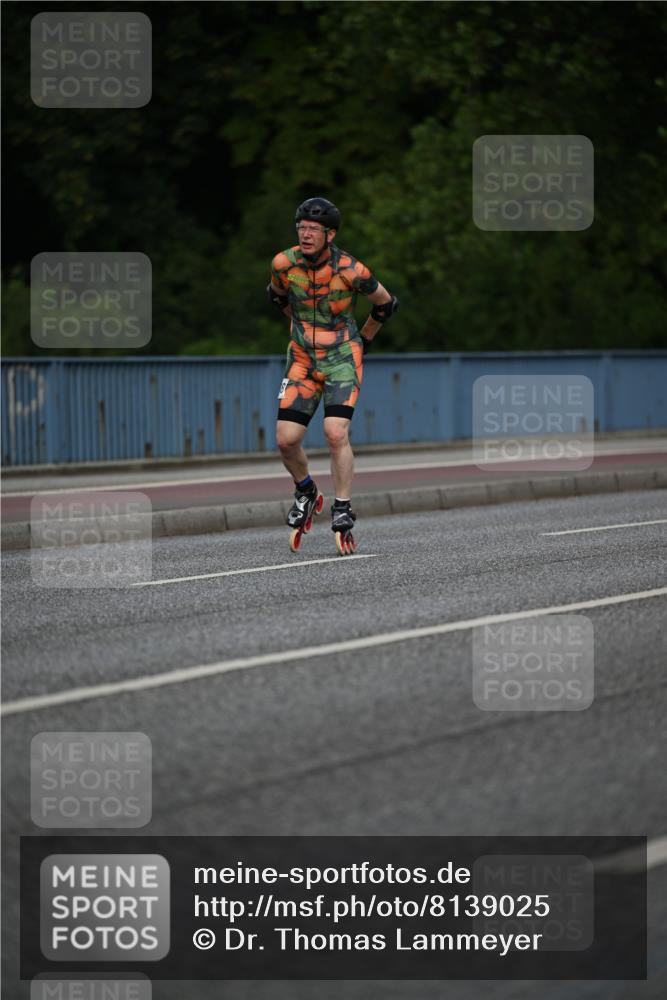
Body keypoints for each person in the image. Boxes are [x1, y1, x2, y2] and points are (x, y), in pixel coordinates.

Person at [267, 197, 399, 548]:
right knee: (285, 439)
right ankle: (306, 491)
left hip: (341, 357)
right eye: (302, 228)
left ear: (330, 234)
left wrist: (365, 339)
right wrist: (302, 333)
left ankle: (342, 508)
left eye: (314, 230)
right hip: (302, 360)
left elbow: (386, 304)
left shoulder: (351, 270)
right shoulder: (284, 263)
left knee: (334, 432)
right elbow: (277, 296)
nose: (306, 234)